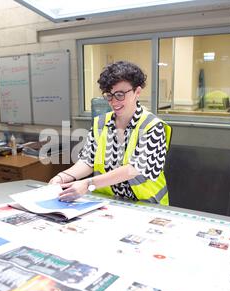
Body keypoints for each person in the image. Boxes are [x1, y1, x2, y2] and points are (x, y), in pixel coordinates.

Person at [49, 61, 172, 205]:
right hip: (108, 203)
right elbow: (88, 160)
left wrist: (88, 184)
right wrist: (63, 177)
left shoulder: (153, 126)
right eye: (109, 95)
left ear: (137, 92)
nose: (114, 102)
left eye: (120, 95)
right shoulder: (101, 123)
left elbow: (134, 169)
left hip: (146, 205)